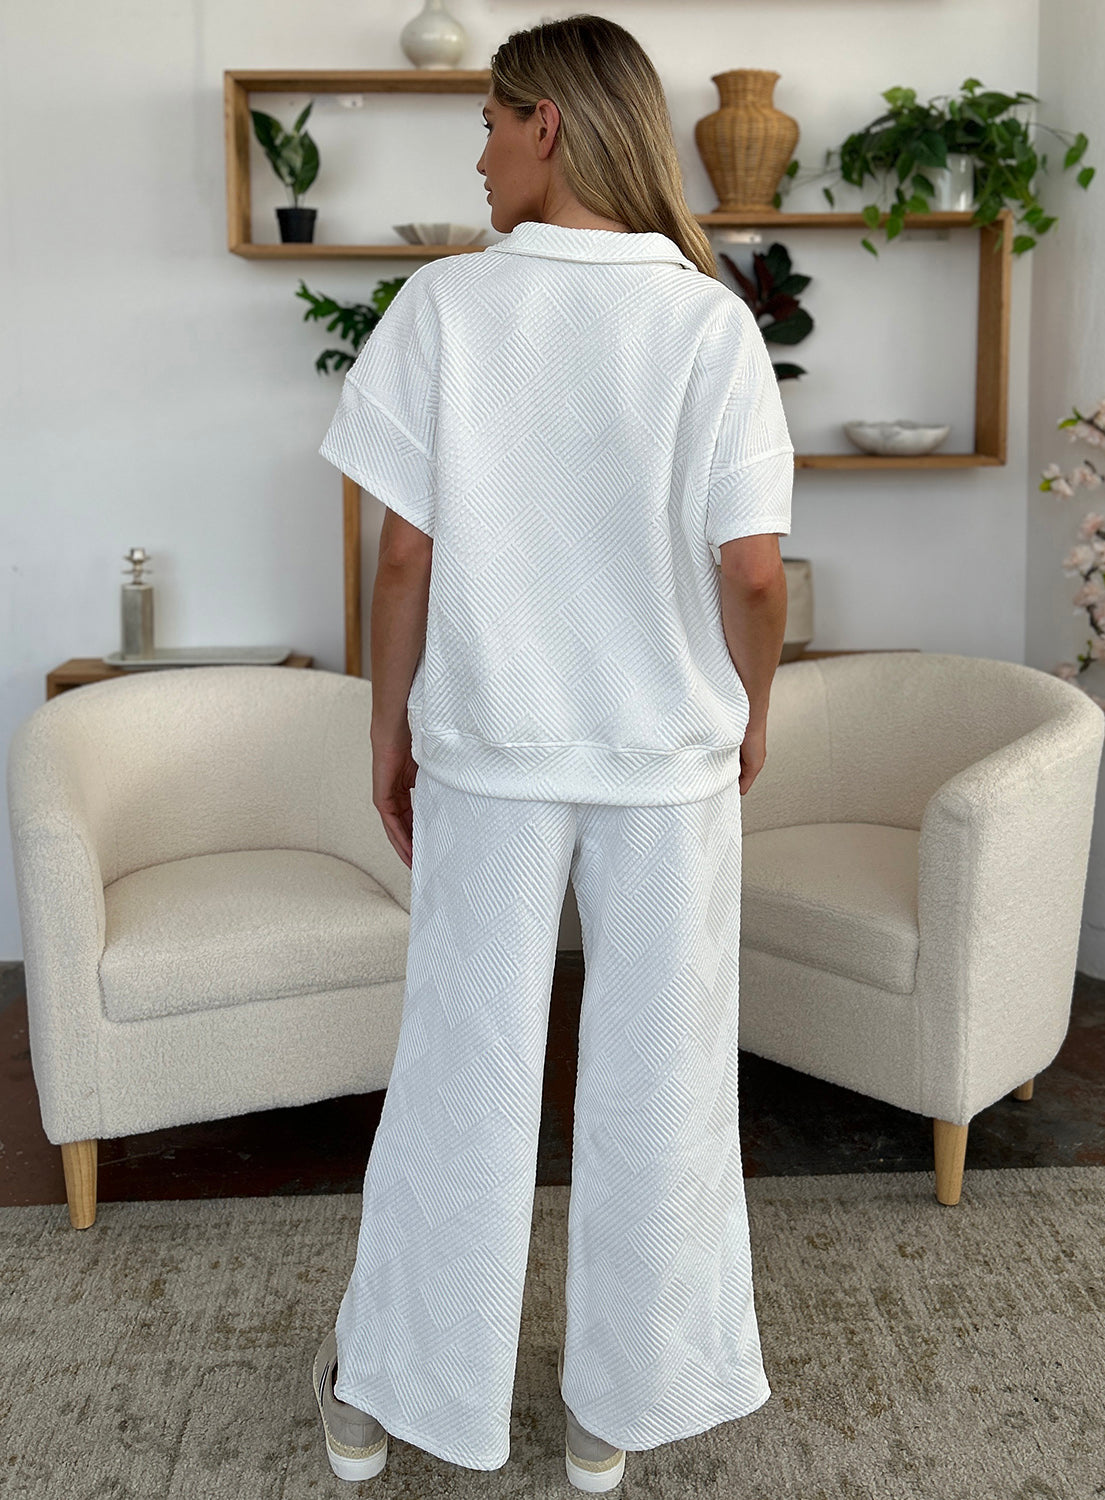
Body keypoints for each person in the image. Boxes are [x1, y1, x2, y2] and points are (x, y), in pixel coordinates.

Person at [310, 12, 793, 1491]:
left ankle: (393, 1393)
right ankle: (615, 1412)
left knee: (462, 1075)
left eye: (487, 122)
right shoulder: (711, 319)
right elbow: (757, 575)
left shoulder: (447, 308)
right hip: (665, 771)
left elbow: (405, 561)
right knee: (660, 1085)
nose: (475, 154)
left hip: (492, 758)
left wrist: (388, 728)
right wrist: (749, 707)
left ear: (549, 128)